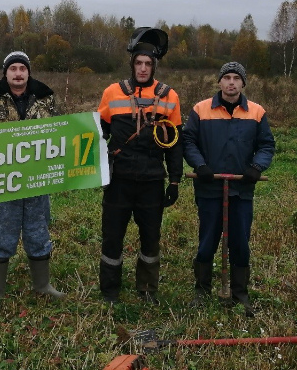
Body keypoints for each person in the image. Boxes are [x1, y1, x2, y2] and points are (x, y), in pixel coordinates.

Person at [97, 27, 183, 304]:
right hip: (118, 180)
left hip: (151, 181)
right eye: (138, 63)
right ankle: (110, 291)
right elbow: (98, 135)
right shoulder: (112, 92)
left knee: (150, 239)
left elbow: (175, 142)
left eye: (148, 64)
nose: (143, 68)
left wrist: (174, 181)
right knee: (112, 238)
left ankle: (147, 289)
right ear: (132, 64)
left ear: (154, 66)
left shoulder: (170, 96)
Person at [182, 61, 275, 316]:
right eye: (227, 78)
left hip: (241, 190)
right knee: (207, 240)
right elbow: (188, 140)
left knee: (240, 242)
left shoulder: (256, 112)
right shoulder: (201, 110)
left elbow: (266, 145)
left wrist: (256, 167)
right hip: (209, 188)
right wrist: (200, 165)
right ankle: (202, 290)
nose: (231, 82)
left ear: (243, 83)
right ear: (219, 82)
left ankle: (239, 293)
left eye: (236, 78)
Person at [0, 51, 65, 309]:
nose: (18, 73)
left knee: (38, 231)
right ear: (6, 73)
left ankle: (42, 285)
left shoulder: (45, 98)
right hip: (3, 180)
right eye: (13, 68)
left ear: (28, 72)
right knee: (2, 232)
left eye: (22, 69)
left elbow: (58, 131)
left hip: (38, 178)